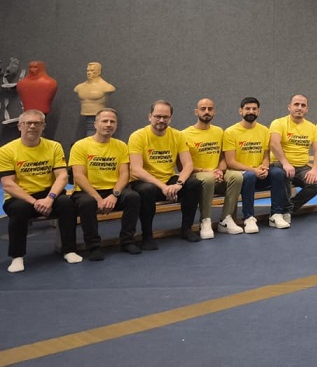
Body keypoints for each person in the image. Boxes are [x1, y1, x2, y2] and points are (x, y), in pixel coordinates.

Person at [1, 109, 82, 272]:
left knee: (66, 203)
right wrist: (34, 202)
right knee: (19, 209)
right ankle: (17, 257)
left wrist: (50, 198)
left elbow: (62, 176)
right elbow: (8, 184)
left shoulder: (54, 146)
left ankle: (69, 250)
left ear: (43, 126)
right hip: (21, 197)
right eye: (28, 123)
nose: (32, 126)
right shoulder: (6, 150)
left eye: (37, 123)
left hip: (48, 193)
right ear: (20, 126)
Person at [129, 100, 203, 247]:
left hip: (168, 181)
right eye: (157, 116)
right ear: (150, 117)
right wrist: (162, 186)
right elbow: (136, 169)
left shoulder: (178, 135)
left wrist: (179, 184)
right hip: (145, 182)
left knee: (193, 184)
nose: (161, 120)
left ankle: (186, 229)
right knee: (148, 189)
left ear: (170, 118)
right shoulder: (138, 136)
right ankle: (147, 236)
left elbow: (188, 164)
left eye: (165, 117)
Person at [71, 108, 143, 258]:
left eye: (112, 122)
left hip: (113, 190)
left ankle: (127, 241)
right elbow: (78, 176)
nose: (109, 124)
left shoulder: (121, 146)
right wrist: (98, 198)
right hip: (87, 191)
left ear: (116, 125)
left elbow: (124, 174)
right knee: (87, 203)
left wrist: (114, 194)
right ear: (95, 124)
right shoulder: (80, 146)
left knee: (133, 197)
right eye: (105, 121)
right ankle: (93, 246)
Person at [223, 97, 288, 233]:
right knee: (250, 176)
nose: (251, 111)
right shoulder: (230, 132)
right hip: (241, 175)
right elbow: (231, 162)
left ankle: (276, 214)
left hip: (259, 172)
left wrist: (264, 168)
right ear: (240, 111)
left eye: (254, 109)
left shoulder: (264, 130)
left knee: (278, 173)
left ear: (258, 111)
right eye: (247, 109)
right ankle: (249, 218)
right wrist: (253, 170)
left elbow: (266, 155)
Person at [182, 98, 242, 239]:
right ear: (196, 112)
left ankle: (225, 219)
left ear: (214, 112)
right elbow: (182, 166)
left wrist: (220, 170)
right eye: (203, 109)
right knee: (208, 178)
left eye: (210, 109)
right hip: (196, 175)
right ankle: (205, 220)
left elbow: (223, 157)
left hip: (217, 174)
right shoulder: (184, 134)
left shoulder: (219, 131)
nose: (206, 112)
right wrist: (207, 171)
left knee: (237, 176)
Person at [268, 94, 317, 225]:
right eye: (296, 104)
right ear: (289, 107)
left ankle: (288, 208)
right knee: (283, 174)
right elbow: (274, 144)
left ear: (307, 109)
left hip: (301, 167)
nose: (299, 108)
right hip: (280, 164)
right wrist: (285, 163)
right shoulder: (278, 123)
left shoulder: (312, 127)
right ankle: (283, 211)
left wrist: (315, 169)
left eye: (303, 105)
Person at [74, 61, 115, 136]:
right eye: (88, 70)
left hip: (98, 114)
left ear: (99, 72)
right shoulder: (79, 87)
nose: (89, 73)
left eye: (92, 70)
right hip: (85, 116)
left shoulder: (106, 87)